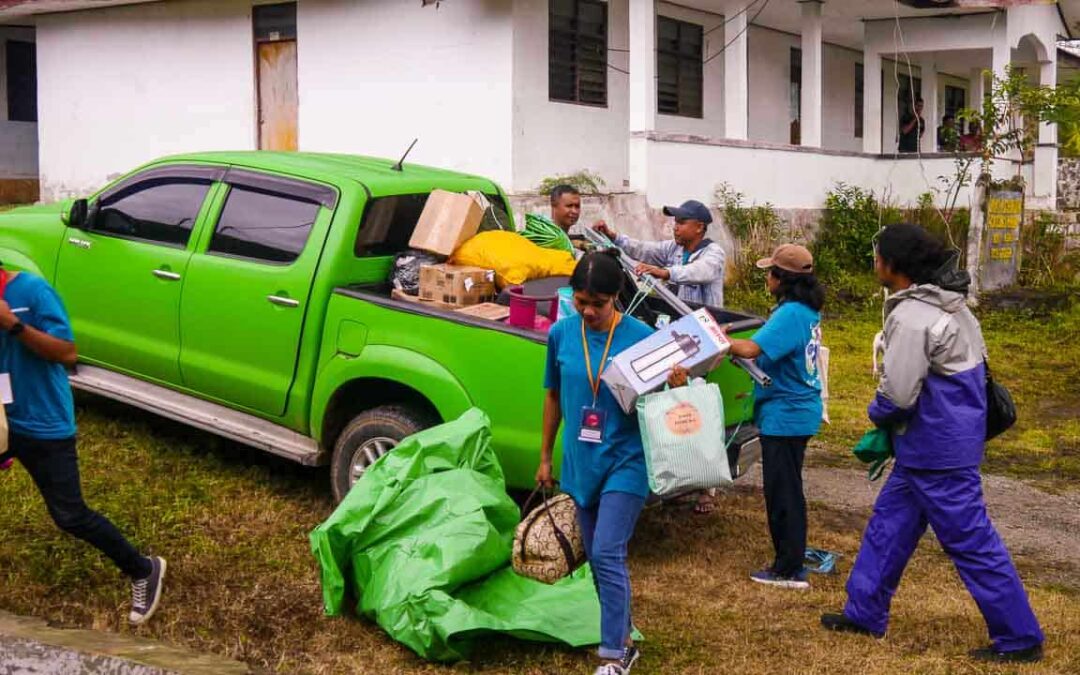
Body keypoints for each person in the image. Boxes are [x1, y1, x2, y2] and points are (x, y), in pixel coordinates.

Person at [820, 224, 1044, 664]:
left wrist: (877, 415)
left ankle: (1020, 638)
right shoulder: (953, 305)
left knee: (972, 543)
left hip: (935, 451)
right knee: (888, 529)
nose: (874, 262)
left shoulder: (911, 316)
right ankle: (864, 612)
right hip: (937, 445)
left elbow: (899, 395)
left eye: (877, 255)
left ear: (893, 265)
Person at [537, 250, 682, 675]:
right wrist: (546, 456)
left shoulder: (641, 337)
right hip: (581, 460)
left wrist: (678, 381)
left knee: (606, 551)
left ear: (616, 297)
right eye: (580, 301)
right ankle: (622, 635)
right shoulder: (561, 335)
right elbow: (551, 396)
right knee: (600, 561)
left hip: (627, 458)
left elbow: (663, 401)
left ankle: (614, 655)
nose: (587, 311)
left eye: (596, 304)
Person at [0, 266, 166, 626]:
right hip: (1, 419)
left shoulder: (32, 291)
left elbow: (68, 352)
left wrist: (12, 324)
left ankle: (143, 569)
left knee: (70, 515)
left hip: (44, 423)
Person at [723, 244, 824, 589]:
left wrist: (719, 339)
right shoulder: (805, 311)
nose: (766, 277)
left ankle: (788, 569)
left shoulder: (791, 313)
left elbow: (751, 348)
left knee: (783, 493)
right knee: (789, 488)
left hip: (787, 414)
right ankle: (792, 556)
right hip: (797, 411)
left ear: (783, 278)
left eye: (770, 272)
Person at [593, 199, 725, 309]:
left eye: (681, 222)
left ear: (699, 227)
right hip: (680, 318)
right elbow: (643, 249)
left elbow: (699, 271)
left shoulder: (714, 253)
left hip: (707, 325)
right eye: (675, 221)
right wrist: (613, 237)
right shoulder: (673, 247)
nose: (675, 227)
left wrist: (665, 273)